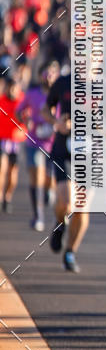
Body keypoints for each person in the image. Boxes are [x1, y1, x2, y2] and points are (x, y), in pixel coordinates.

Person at [44, 70, 89, 272]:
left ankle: (70, 252)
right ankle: (60, 223)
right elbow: (46, 109)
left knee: (82, 208)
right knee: (66, 201)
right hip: (64, 149)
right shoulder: (63, 82)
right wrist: (57, 123)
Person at [16, 62, 58, 231]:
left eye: (52, 73)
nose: (48, 77)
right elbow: (19, 111)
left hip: (54, 144)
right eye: (46, 73)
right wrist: (25, 121)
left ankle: (50, 191)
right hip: (34, 142)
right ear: (41, 75)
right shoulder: (32, 94)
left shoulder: (60, 94)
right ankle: (38, 215)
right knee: (36, 178)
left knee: (49, 179)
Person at [0, 76, 25, 213]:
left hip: (16, 141)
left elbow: (27, 118)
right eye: (10, 87)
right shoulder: (1, 101)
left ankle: (7, 197)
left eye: (14, 88)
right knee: (2, 169)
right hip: (2, 140)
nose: (12, 91)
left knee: (12, 173)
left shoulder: (22, 101)